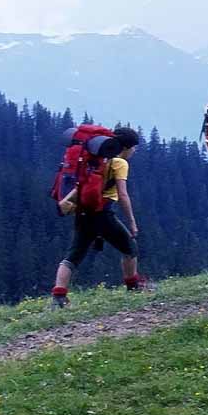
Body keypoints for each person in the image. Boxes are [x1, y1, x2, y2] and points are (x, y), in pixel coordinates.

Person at [50, 127, 148, 308]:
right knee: (129, 248)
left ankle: (59, 296)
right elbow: (123, 195)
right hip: (102, 213)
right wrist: (132, 222)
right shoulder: (119, 163)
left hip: (83, 211)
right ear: (127, 147)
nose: (134, 152)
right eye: (134, 148)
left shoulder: (96, 159)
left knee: (74, 254)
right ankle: (133, 286)